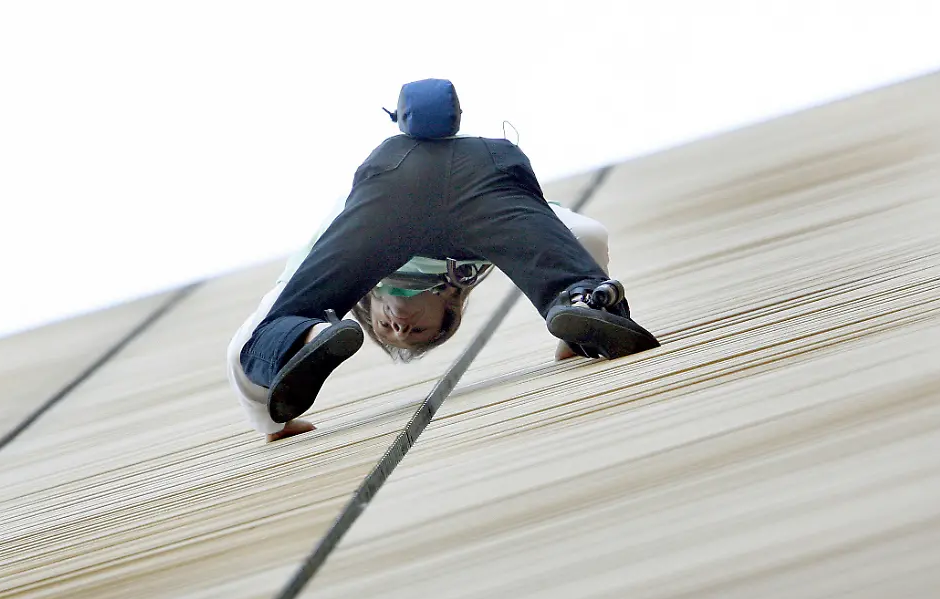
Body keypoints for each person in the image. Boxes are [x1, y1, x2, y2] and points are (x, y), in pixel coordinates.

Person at [226, 81, 660, 443]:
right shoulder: (459, 269)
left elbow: (256, 325)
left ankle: (305, 335)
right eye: (415, 330)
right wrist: (583, 313)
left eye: (389, 329)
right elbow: (584, 234)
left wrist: (269, 422)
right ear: (449, 306)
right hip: (482, 174)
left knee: (284, 317)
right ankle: (584, 301)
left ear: (368, 309)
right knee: (563, 266)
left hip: (392, 191)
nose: (399, 322)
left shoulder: (348, 233)